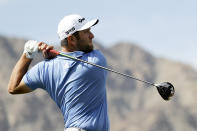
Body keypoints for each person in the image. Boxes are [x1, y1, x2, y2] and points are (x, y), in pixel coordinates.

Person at [8, 14, 110, 131]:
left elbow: (13, 88)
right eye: (86, 32)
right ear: (71, 39)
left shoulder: (45, 69)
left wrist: (28, 54)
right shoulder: (97, 60)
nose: (92, 36)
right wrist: (55, 56)